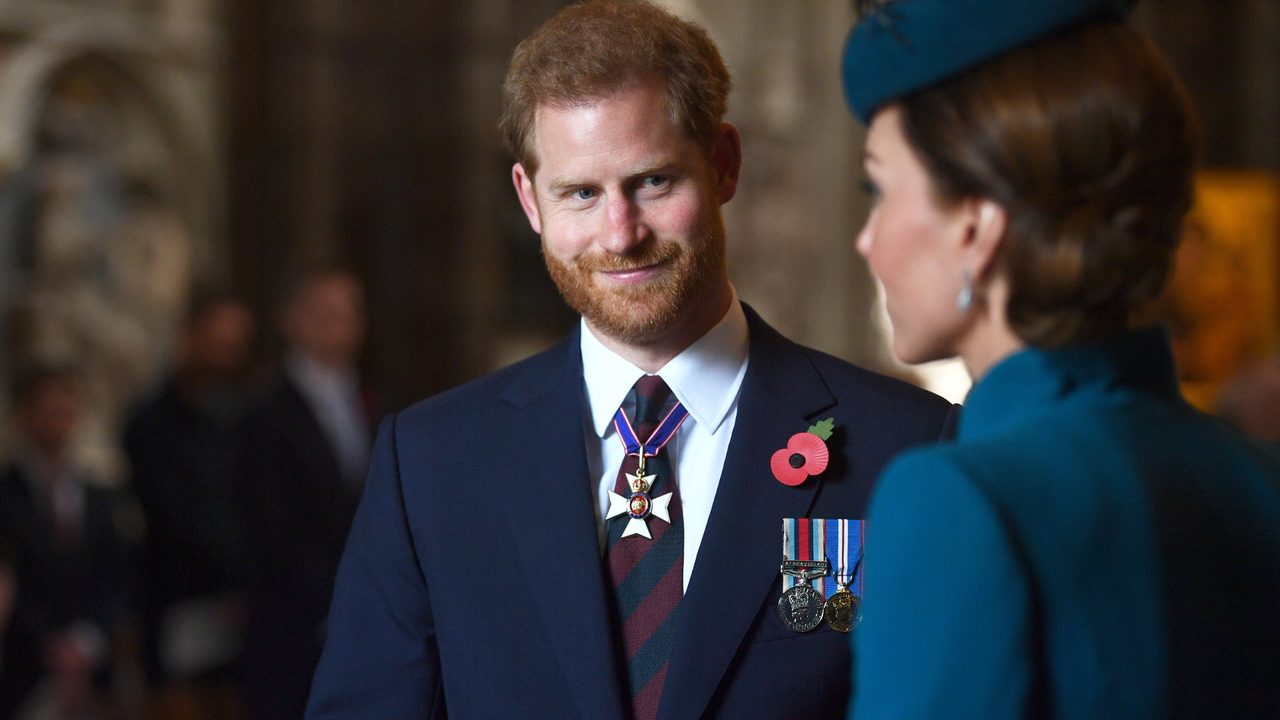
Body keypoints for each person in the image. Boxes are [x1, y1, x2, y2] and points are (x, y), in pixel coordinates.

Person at [306, 3, 957, 719]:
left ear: (724, 165)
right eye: (581, 193)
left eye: (652, 182)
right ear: (530, 200)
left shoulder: (908, 448)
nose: (620, 235)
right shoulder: (428, 467)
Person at [839, 1, 1280, 718]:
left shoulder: (956, 500)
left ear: (977, 228)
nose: (868, 240)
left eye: (879, 191)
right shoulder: (1260, 476)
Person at [237, 268, 378, 720]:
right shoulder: (263, 410)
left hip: (364, 615)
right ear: (292, 320)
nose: (338, 324)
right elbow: (267, 523)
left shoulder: (372, 403)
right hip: (293, 622)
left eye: (347, 312)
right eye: (323, 312)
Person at [123, 291, 255, 712]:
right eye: (216, 341)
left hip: (235, 617)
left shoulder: (237, 418)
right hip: (178, 606)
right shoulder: (150, 421)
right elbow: (171, 515)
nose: (223, 356)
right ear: (191, 336)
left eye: (233, 347)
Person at [0, 365, 135, 720]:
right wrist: (49, 645)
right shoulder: (6, 496)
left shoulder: (99, 496)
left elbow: (117, 575)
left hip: (92, 671)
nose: (57, 417)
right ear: (25, 412)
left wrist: (87, 640)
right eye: (46, 407)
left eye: (65, 407)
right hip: (25, 673)